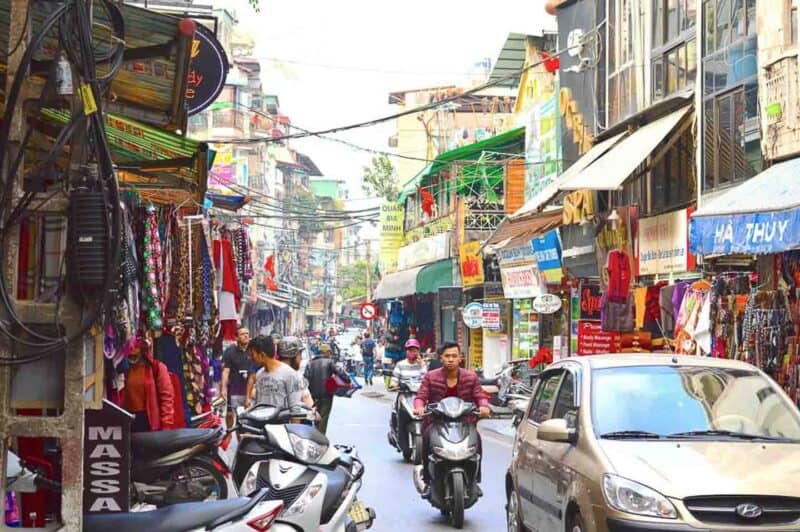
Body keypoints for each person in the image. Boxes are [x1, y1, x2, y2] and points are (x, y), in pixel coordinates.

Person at [413, 341, 490, 494]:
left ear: (460, 358)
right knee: (427, 439)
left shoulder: (471, 377)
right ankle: (427, 479)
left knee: (478, 441)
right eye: (447, 356)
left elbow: (480, 395)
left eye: (454, 356)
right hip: (437, 422)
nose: (451, 359)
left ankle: (475, 479)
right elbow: (421, 396)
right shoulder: (430, 377)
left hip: (464, 423)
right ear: (440, 358)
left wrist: (484, 406)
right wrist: (419, 407)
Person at [123, 338, 175, 432]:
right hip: (128, 420)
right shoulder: (124, 370)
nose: (132, 356)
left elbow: (167, 397)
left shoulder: (157, 368)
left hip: (149, 421)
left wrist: (166, 424)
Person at [248, 335, 305, 415]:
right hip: (260, 425)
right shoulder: (259, 374)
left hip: (280, 425)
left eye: (252, 354)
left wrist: (293, 427)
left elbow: (295, 409)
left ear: (262, 355)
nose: (251, 358)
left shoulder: (290, 374)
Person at [305, 342, 350, 434]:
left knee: (314, 416)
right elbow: (340, 372)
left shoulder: (310, 363)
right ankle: (320, 438)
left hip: (313, 396)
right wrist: (347, 380)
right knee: (323, 417)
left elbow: (305, 378)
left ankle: (314, 435)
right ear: (326, 352)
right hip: (326, 395)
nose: (330, 354)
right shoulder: (329, 362)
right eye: (329, 352)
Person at [220, 327, 251, 411]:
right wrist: (223, 388)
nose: (245, 336)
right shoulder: (230, 351)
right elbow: (226, 371)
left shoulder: (254, 350)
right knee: (230, 413)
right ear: (237, 338)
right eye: (242, 334)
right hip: (234, 387)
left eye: (247, 333)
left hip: (251, 387)